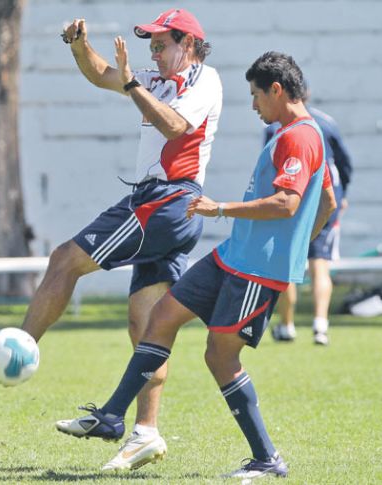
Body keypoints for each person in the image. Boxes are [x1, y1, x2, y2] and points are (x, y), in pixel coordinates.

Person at [0, 7, 222, 471]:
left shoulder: (205, 79)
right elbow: (102, 74)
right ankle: (146, 432)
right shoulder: (157, 79)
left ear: (188, 44)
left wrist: (132, 83)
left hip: (165, 202)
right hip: (167, 208)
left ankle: (14, 348)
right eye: (151, 47)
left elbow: (174, 126)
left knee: (65, 259)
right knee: (146, 326)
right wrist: (79, 46)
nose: (154, 54)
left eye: (161, 45)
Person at [55, 51, 336, 478]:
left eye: (256, 95)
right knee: (162, 317)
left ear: (277, 90)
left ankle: (267, 459)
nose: (253, 105)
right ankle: (112, 415)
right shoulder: (295, 134)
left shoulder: (299, 137)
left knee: (220, 357)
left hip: (257, 271)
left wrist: (223, 210)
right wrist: (299, 242)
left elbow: (287, 203)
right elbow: (327, 200)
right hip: (232, 257)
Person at [265, 82, 353, 345]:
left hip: (293, 197)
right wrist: (342, 195)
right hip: (326, 198)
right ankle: (320, 325)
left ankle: (287, 325)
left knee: (288, 261)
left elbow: (269, 166)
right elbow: (345, 164)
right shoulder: (326, 123)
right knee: (320, 263)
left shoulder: (275, 127)